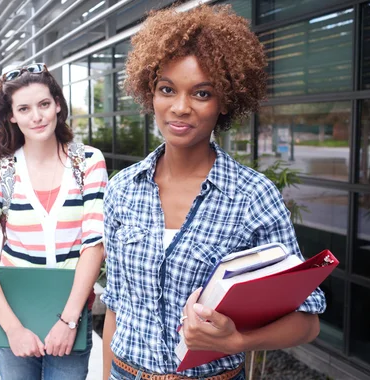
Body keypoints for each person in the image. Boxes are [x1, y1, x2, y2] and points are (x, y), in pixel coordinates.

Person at [101, 4, 326, 380]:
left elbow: (308, 321)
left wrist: (235, 342)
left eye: (201, 93)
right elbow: (115, 306)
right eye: (167, 89)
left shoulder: (252, 196)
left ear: (225, 102)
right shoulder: (121, 190)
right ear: (150, 93)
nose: (180, 107)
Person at [0, 63, 107, 380]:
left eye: (44, 104)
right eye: (24, 108)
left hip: (71, 315)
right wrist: (13, 329)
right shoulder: (0, 170)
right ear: (12, 116)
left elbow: (94, 243)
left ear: (58, 104)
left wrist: (69, 321)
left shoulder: (88, 162)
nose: (37, 116)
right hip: (11, 315)